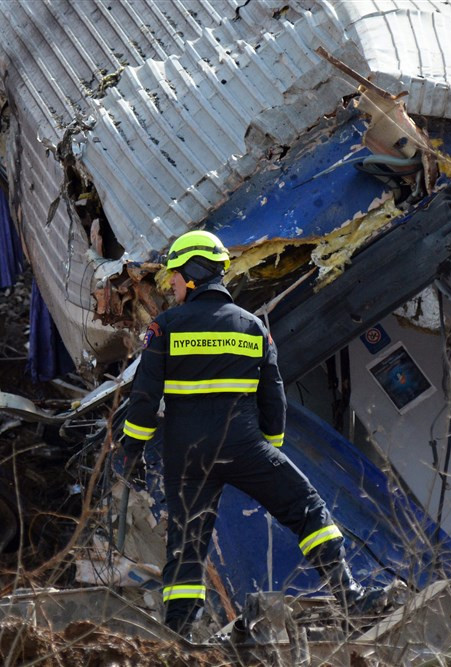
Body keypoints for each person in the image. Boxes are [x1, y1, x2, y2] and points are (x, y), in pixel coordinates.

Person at [119, 229, 389, 636]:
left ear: (192, 273)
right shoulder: (252, 328)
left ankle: (177, 638)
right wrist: (268, 454)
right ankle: (348, 594)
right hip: (245, 446)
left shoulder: (166, 328)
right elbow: (273, 400)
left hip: (187, 457)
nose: (170, 283)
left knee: (187, 546)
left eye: (174, 274)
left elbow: (143, 401)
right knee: (308, 509)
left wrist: (131, 454)